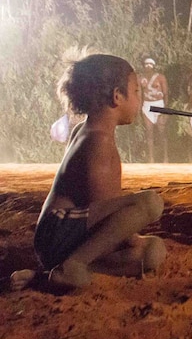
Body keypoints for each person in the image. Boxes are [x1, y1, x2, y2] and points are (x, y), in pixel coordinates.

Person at [11, 54, 166, 292]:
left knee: (152, 252)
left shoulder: (89, 131)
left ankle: (49, 275)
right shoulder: (98, 144)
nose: (139, 98)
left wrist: (134, 242)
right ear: (117, 96)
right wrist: (129, 239)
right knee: (150, 203)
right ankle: (73, 265)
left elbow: (101, 216)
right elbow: (104, 210)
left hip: (63, 235)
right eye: (136, 91)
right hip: (58, 231)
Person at [140, 57, 169, 163]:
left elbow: (165, 94)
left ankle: (165, 157)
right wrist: (140, 108)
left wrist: (165, 110)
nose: (148, 67)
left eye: (150, 65)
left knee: (162, 132)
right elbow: (140, 94)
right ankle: (151, 158)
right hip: (147, 105)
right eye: (146, 64)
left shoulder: (160, 77)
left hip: (159, 105)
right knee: (149, 132)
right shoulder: (141, 78)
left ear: (153, 65)